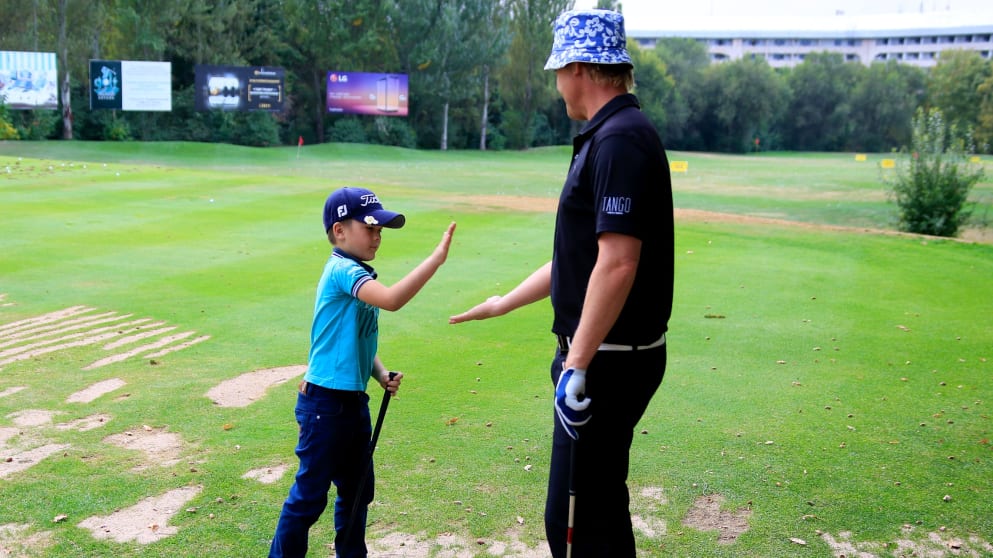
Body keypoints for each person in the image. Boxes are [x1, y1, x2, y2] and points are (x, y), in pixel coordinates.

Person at [449, 9, 673, 557]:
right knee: (597, 506)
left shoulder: (620, 140)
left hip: (606, 361)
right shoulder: (610, 135)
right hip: (603, 357)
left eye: (558, 71)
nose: (556, 86)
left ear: (579, 68)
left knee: (573, 523)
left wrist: (576, 365)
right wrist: (504, 303)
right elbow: (581, 261)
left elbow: (618, 264)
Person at [270, 187, 456, 558]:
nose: (377, 235)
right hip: (324, 405)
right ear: (339, 231)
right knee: (308, 499)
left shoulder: (356, 273)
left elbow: (357, 344)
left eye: (380, 229)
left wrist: (382, 374)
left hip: (352, 403)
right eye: (370, 227)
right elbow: (392, 301)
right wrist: (435, 260)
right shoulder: (342, 271)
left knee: (357, 493)